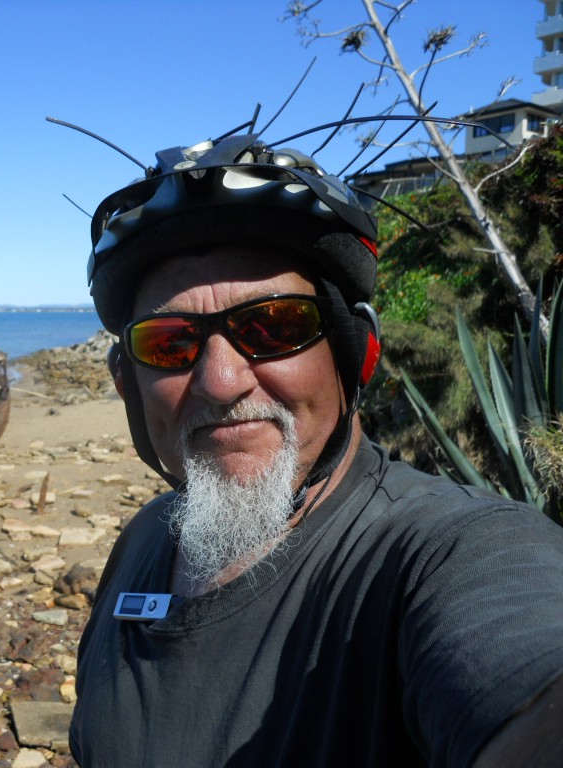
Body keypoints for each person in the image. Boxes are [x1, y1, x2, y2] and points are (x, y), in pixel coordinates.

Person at [67, 131, 563, 766]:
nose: (220, 382)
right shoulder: (142, 539)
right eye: (169, 342)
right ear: (127, 383)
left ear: (356, 354)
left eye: (274, 326)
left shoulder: (448, 553)